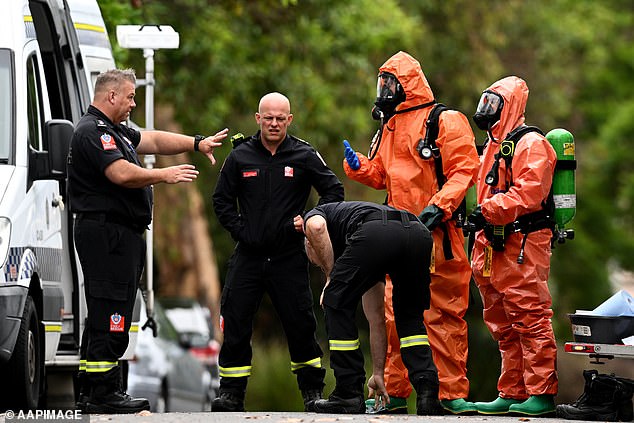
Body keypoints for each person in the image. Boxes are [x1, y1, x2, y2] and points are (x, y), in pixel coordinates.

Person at [67, 68, 228, 414]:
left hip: (120, 234)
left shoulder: (115, 131)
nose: (133, 103)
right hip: (106, 233)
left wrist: (195, 143)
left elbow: (152, 140)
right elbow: (120, 173)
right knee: (110, 311)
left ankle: (92, 389)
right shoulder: (94, 132)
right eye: (130, 97)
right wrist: (163, 175)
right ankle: (104, 393)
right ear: (111, 96)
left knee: (110, 309)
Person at [342, 51, 479, 414]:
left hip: (439, 237)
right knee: (393, 318)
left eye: (390, 82)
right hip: (399, 236)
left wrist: (440, 205)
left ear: (408, 84)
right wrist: (357, 166)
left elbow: (465, 169)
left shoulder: (444, 121)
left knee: (442, 315)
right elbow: (382, 175)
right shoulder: (391, 126)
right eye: (382, 82)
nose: (384, 89)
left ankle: (450, 396)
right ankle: (394, 394)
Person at [211, 92, 344, 412]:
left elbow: (333, 191)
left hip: (289, 257)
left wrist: (312, 217)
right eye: (267, 118)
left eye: (280, 118)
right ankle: (231, 393)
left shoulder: (304, 154)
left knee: (300, 324)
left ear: (289, 120)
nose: (273, 123)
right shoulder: (240, 156)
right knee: (236, 321)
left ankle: (312, 392)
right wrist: (241, 230)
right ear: (257, 119)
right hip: (249, 255)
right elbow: (221, 201)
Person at [468, 75, 558, 416]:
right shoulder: (493, 145)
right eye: (485, 103)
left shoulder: (530, 143)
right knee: (502, 322)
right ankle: (513, 390)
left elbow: (529, 192)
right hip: (493, 245)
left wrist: (487, 211)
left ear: (509, 106)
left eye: (493, 104)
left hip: (523, 243)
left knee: (530, 316)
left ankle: (542, 393)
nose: (486, 111)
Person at [303, 201, 441, 415]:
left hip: (379, 234)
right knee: (409, 317)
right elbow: (376, 319)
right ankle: (428, 393)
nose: (314, 261)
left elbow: (316, 228)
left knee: (334, 301)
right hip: (418, 233)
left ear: (309, 245)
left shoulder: (319, 214)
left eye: (312, 257)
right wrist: (378, 373)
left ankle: (348, 393)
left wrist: (330, 276)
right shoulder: (360, 244)